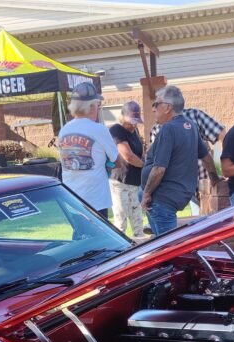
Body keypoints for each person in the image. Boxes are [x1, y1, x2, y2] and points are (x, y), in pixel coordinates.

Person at [140, 85, 219, 236]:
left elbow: (159, 169)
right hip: (173, 196)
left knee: (168, 246)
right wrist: (214, 178)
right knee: (160, 243)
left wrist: (146, 194)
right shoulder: (191, 126)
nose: (153, 109)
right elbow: (206, 156)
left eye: (156, 104)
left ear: (167, 107)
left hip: (162, 199)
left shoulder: (168, 129)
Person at [56, 82, 122, 218]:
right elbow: (118, 161)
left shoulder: (64, 131)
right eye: (98, 104)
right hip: (96, 200)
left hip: (72, 199)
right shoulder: (99, 130)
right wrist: (107, 164)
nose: (98, 107)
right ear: (91, 106)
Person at [108, 101, 146, 237]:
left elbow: (140, 152)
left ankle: (140, 241)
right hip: (120, 182)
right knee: (121, 219)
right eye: (131, 122)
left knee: (138, 220)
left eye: (136, 122)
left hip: (134, 182)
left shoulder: (135, 131)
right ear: (122, 117)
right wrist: (144, 166)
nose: (133, 125)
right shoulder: (116, 130)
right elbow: (128, 155)